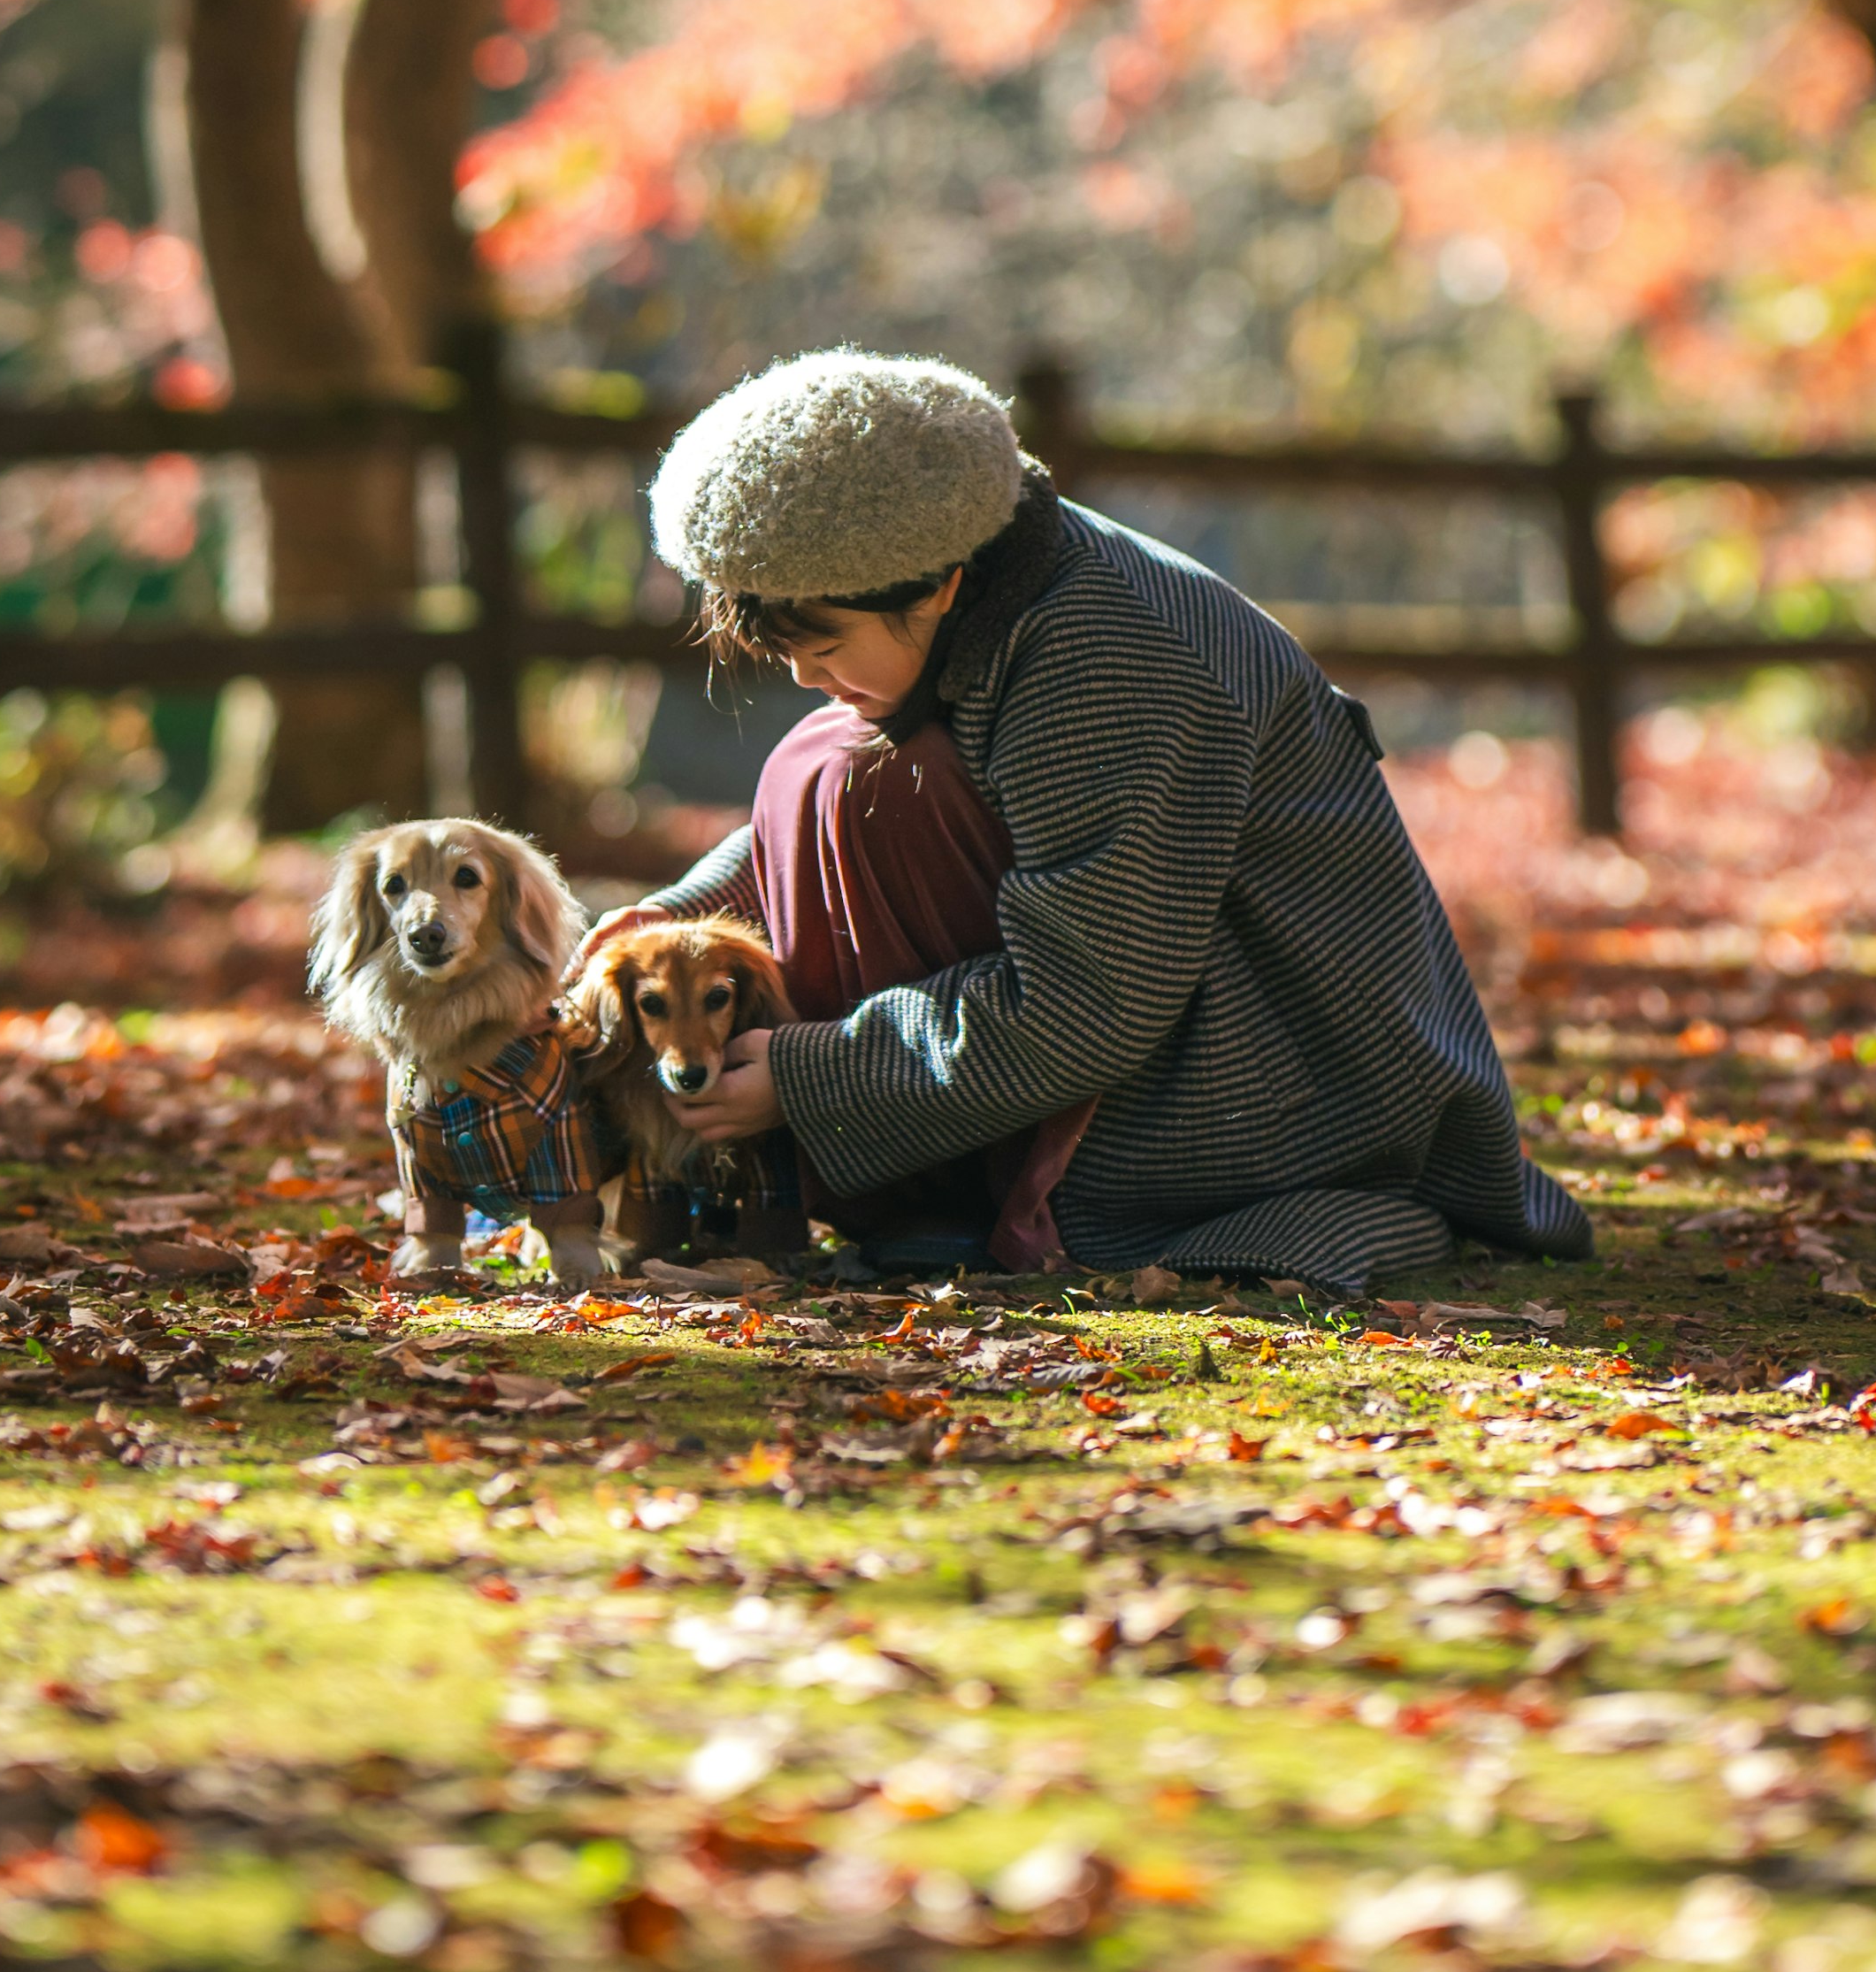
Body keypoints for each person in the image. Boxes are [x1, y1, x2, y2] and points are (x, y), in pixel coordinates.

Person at [621, 346, 1591, 1301]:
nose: (799, 675)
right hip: (1169, 1011)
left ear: (940, 583)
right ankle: (949, 1179)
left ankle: (970, 1193)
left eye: (824, 643)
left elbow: (1090, 992)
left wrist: (816, 1077)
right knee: (828, 756)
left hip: (1293, 1078)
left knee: (864, 772)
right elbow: (796, 844)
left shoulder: (1103, 661)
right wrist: (665, 926)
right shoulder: (984, 583)